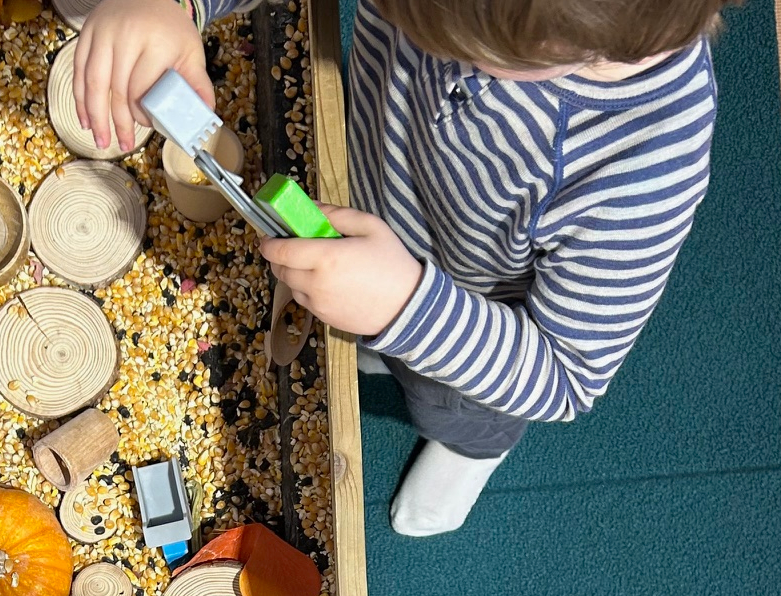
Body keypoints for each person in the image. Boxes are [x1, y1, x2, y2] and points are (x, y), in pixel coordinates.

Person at [73, 0, 728, 535]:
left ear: (553, 53)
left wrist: (403, 307)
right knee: (358, 331)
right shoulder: (504, 27)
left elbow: (564, 375)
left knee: (453, 406)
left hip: (470, 321)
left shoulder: (643, 163)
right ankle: (375, 337)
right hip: (378, 190)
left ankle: (471, 450)